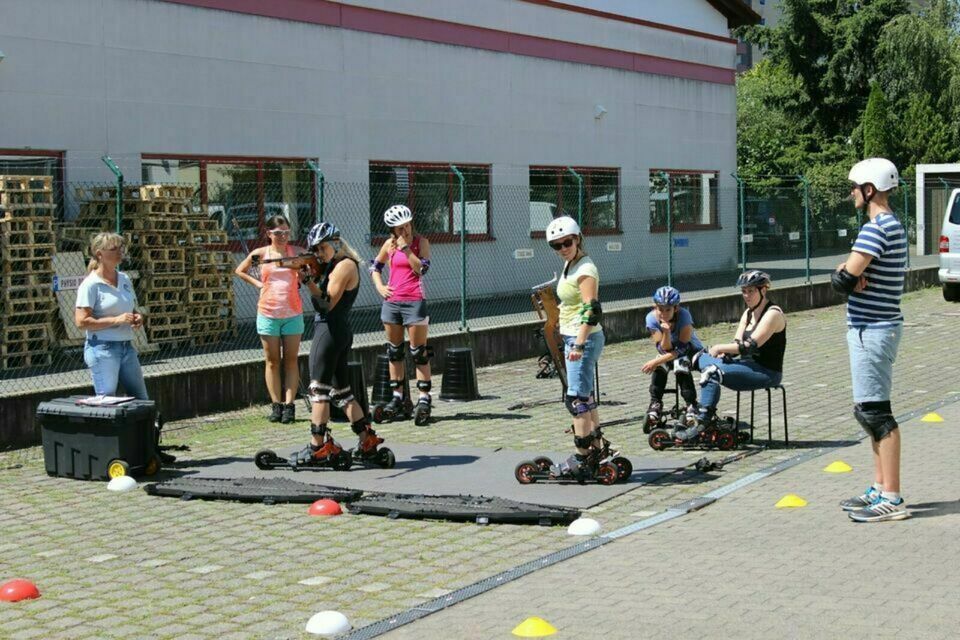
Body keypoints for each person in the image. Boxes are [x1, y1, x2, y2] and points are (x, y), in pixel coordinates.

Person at [832, 157, 908, 522]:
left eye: (854, 188)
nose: (851, 194)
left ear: (869, 189)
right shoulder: (891, 226)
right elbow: (847, 275)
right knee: (868, 410)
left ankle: (891, 497)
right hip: (877, 326)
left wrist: (847, 276)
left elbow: (842, 281)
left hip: (872, 328)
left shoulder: (875, 230)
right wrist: (848, 275)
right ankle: (880, 486)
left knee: (877, 414)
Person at [290, 221, 388, 465]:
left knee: (318, 390)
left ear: (335, 244)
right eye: (315, 249)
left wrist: (308, 281)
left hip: (330, 330)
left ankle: (318, 447)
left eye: (322, 248)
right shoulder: (335, 265)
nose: (319, 253)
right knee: (342, 392)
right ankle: (367, 441)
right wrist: (311, 273)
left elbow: (326, 303)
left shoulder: (344, 266)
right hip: (337, 331)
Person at [681, 271, 786, 441]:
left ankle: (703, 421)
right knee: (700, 359)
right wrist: (723, 352)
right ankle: (696, 409)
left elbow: (748, 346)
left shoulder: (773, 314)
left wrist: (719, 348)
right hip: (745, 366)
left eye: (751, 291)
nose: (746, 295)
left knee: (711, 371)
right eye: (744, 291)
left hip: (767, 372)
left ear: (763, 290)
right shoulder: (748, 313)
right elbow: (736, 342)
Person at [546, 216, 606, 477]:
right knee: (586, 397)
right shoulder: (571, 264)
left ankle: (582, 459)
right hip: (575, 337)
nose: (562, 248)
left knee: (576, 400)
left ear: (578, 238)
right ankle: (597, 449)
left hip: (583, 339)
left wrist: (579, 344)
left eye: (567, 242)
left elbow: (592, 310)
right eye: (556, 245)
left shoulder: (585, 269)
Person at [235, 215, 304, 424]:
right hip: (268, 313)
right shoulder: (260, 254)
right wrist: (258, 284)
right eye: (277, 233)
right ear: (269, 234)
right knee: (272, 361)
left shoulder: (296, 253)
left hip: (292, 312)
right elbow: (240, 270)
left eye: (286, 232)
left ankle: (290, 405)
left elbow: (308, 267)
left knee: (291, 360)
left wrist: (302, 273)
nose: (282, 236)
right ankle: (276, 405)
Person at [369, 204, 434, 425]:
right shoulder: (389, 244)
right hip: (392, 302)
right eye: (399, 227)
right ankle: (397, 397)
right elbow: (375, 267)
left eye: (407, 225)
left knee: (419, 352)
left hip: (414, 300)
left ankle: (424, 398)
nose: (405, 230)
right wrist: (379, 286)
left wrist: (407, 249)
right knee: (394, 352)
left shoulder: (421, 242)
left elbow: (422, 269)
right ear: (392, 229)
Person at [74, 232, 148, 400]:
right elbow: (81, 321)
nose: (120, 251)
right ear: (99, 254)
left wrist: (137, 317)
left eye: (121, 247)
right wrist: (116, 320)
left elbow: (130, 308)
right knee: (107, 401)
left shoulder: (124, 279)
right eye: (114, 248)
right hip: (102, 349)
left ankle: (147, 427)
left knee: (142, 399)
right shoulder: (90, 285)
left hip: (127, 348)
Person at [642, 286, 704, 431]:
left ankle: (691, 404)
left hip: (691, 351)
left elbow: (683, 349)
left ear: (675, 308)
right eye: (660, 309)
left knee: (680, 364)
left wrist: (656, 360)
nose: (663, 313)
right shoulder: (651, 319)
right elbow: (664, 349)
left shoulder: (684, 316)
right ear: (655, 307)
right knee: (661, 366)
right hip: (670, 352)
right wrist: (666, 332)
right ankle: (655, 403)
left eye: (668, 309)